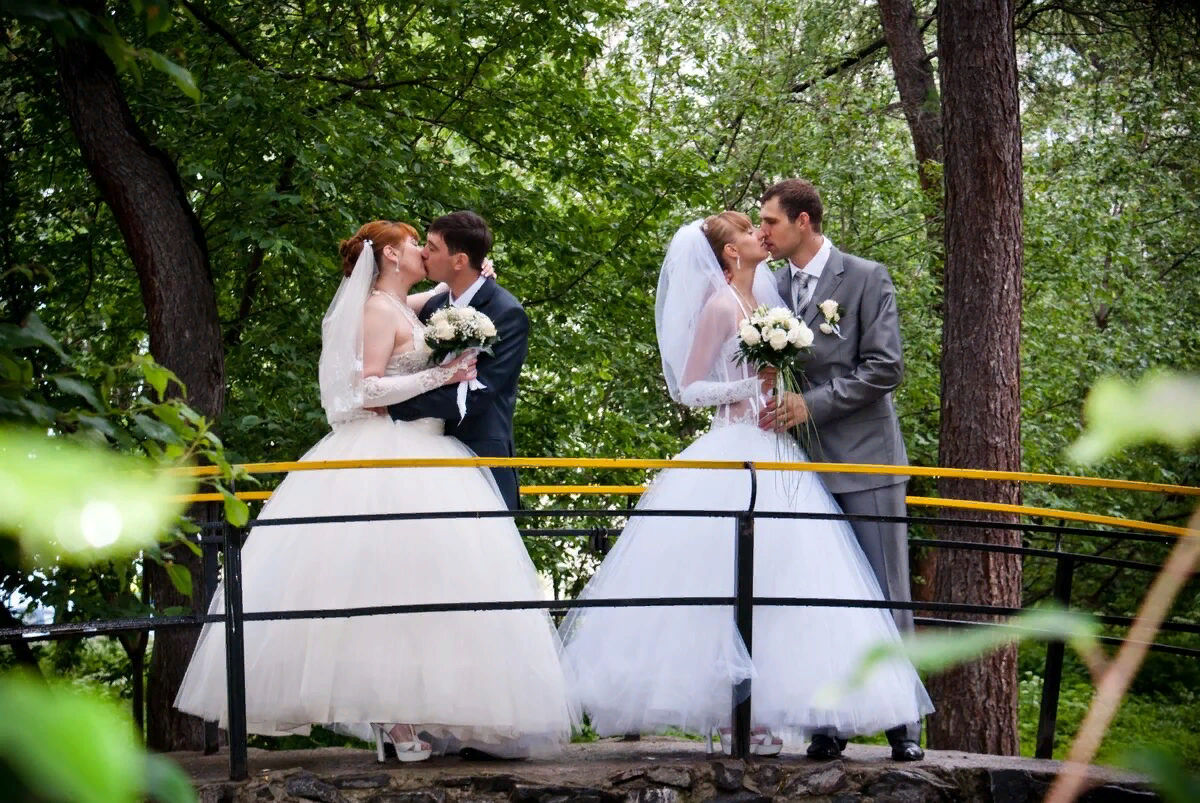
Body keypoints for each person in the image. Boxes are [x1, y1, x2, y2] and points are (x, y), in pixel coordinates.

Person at [174, 220, 575, 762]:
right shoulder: (376, 309)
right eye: (417, 245)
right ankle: (394, 720)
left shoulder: (419, 306)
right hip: (390, 452)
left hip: (432, 453)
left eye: (430, 247)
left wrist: (467, 281)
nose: (423, 252)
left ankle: (430, 712)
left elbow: (435, 297)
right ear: (390, 254)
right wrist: (442, 376)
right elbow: (367, 388)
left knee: (429, 588)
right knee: (377, 585)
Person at [559, 213, 932, 756]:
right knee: (724, 584)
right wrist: (737, 391)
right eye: (749, 229)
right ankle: (739, 715)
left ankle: (813, 714)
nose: (760, 233)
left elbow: (864, 365)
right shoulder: (720, 306)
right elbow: (687, 387)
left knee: (797, 589)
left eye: (767, 222)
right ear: (730, 253)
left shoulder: (770, 294)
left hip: (785, 451)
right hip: (736, 449)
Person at [757, 178, 924, 761]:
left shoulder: (865, 276)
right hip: (801, 471)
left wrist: (812, 404)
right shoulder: (771, 287)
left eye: (771, 222)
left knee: (885, 593)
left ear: (804, 221)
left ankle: (904, 723)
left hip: (866, 462)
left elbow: (885, 368)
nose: (763, 233)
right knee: (819, 598)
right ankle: (830, 721)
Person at [388, 211, 528, 511]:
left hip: (478, 458)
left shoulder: (506, 313)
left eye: (432, 247)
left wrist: (394, 407)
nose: (423, 253)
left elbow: (479, 394)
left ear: (460, 261)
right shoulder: (432, 307)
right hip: (420, 457)